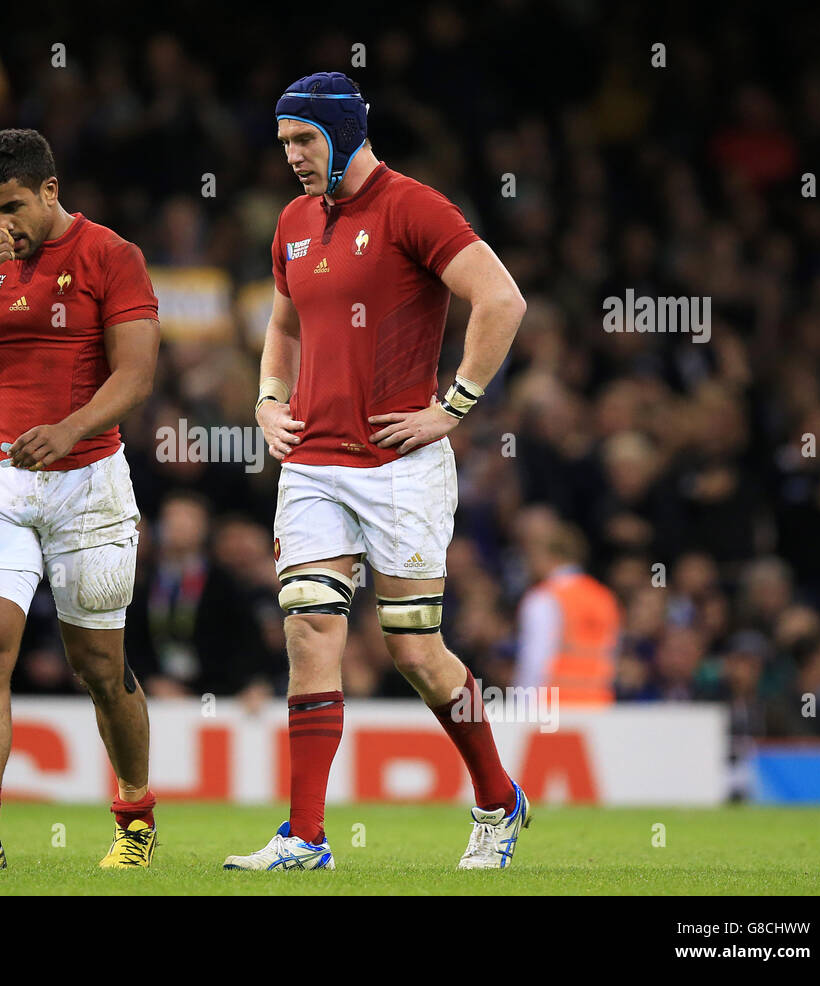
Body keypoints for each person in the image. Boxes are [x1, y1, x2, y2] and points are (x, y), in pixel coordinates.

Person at [224, 73, 531, 871]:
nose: (292, 157)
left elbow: (502, 300)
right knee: (308, 628)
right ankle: (305, 836)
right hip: (314, 462)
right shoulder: (293, 222)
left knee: (414, 650)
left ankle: (498, 800)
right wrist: (266, 398)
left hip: (399, 464)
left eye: (305, 140)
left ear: (345, 135)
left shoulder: (413, 208)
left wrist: (453, 407)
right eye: (285, 142)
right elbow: (284, 322)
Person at [0, 129, 161, 869]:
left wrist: (71, 428)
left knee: (98, 667)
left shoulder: (111, 257)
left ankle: (135, 817)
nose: (2, 225)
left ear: (50, 190)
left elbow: (137, 374)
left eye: (13, 208)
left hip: (88, 478)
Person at [515, 514, 622, 706]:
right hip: (598, 706)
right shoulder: (605, 598)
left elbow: (535, 661)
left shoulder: (543, 599)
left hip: (552, 710)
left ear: (548, 555)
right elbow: (611, 657)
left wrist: (520, 709)